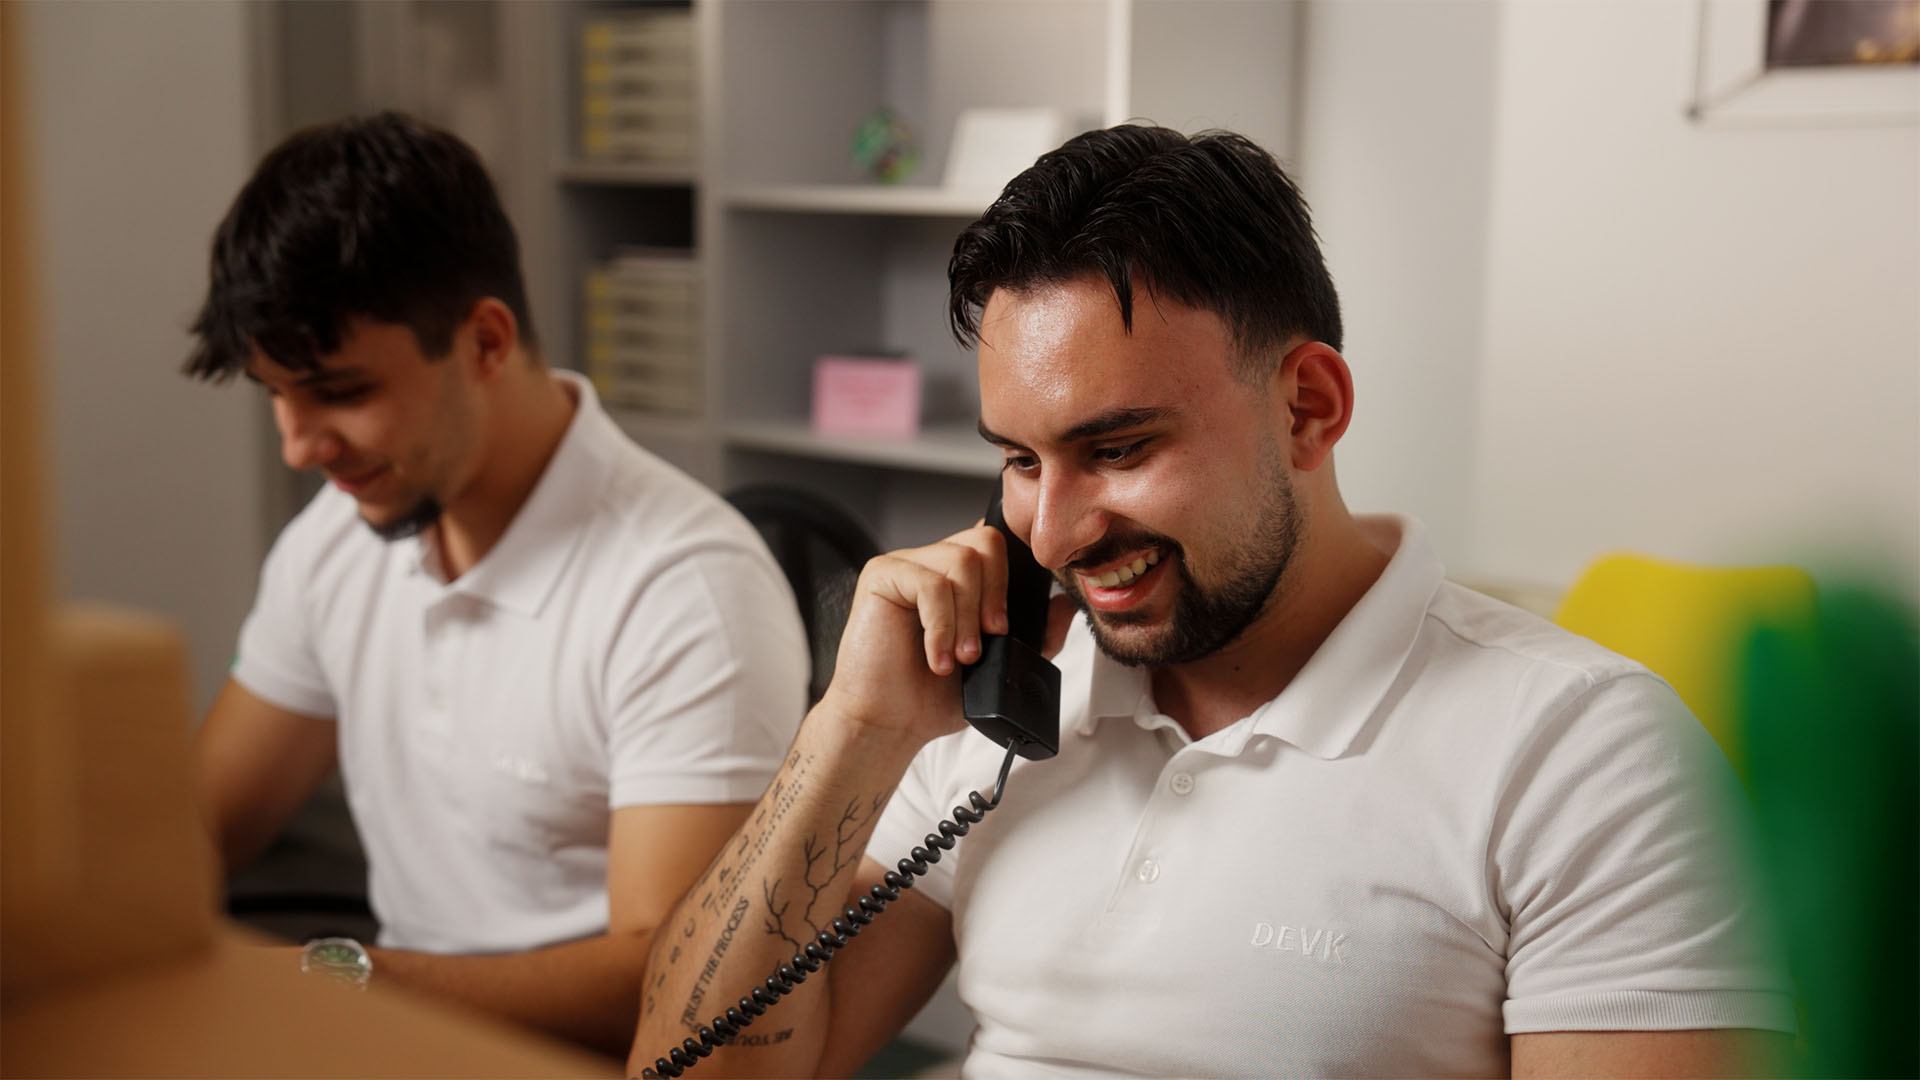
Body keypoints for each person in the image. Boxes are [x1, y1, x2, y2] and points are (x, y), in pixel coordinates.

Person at [629, 124, 1794, 1078]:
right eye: (1023, 461)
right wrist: (854, 733)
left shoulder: (1587, 754)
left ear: (1309, 408)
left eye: (1119, 447)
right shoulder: (994, 710)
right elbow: (688, 1073)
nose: (1058, 529)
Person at [184, 112, 808, 1056]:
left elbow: (671, 979)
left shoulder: (687, 589)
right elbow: (203, 824)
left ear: (484, 341)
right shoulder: (337, 538)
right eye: (277, 393)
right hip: (404, 1038)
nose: (300, 446)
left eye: (343, 393)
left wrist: (352, 978)